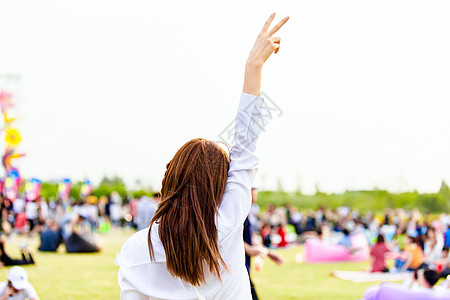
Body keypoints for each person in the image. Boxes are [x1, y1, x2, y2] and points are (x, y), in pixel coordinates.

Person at [118, 13, 289, 299]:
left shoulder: (136, 249)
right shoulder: (227, 223)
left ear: (169, 177)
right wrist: (253, 66)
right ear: (220, 184)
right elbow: (245, 147)